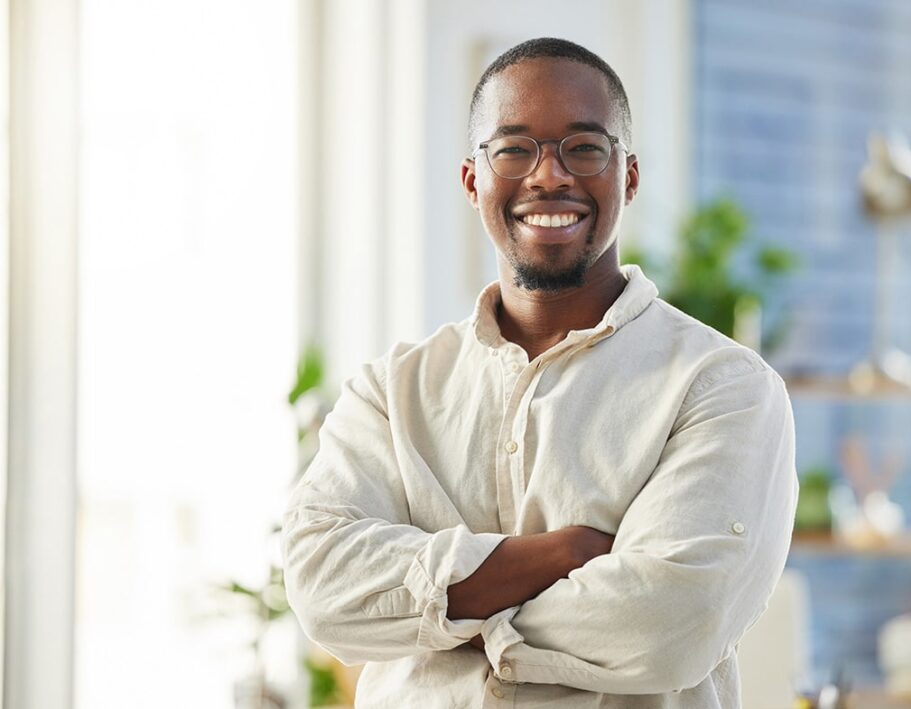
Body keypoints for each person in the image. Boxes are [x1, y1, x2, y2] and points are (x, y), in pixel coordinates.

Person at [283, 37, 798, 708]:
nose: (549, 176)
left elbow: (671, 623)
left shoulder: (724, 387)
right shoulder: (391, 391)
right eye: (514, 148)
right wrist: (561, 556)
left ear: (629, 177)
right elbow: (322, 586)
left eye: (583, 147)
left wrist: (440, 615)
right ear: (473, 179)